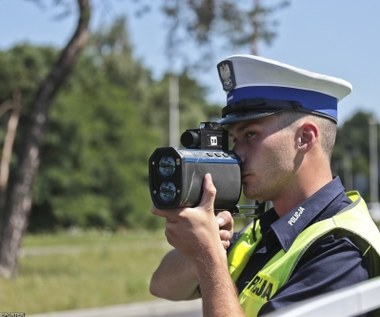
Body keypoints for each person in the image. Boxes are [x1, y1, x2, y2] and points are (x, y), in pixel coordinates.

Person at [149, 54, 380, 317]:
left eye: (250, 135)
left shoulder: (342, 251)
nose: (238, 153)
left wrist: (209, 258)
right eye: (235, 139)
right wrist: (207, 242)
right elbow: (162, 286)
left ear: (305, 138)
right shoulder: (264, 230)